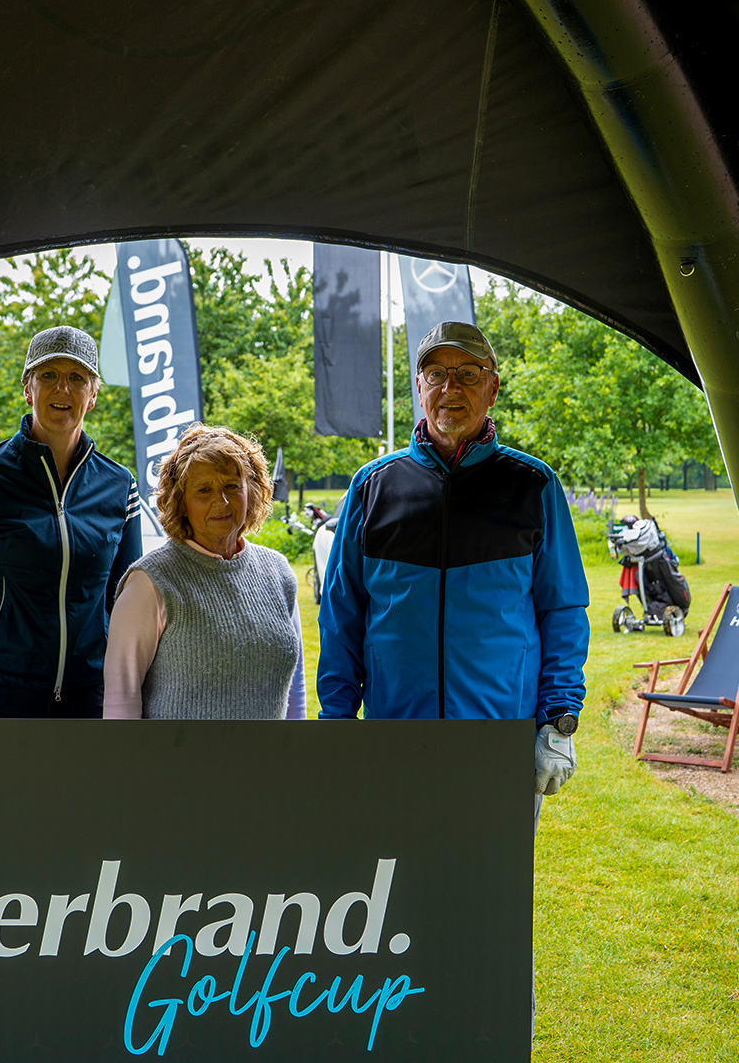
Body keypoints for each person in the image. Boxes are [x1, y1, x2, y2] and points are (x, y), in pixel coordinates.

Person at [315, 320, 587, 1029]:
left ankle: (497, 1034)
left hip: (498, 744)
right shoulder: (374, 487)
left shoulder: (533, 485)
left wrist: (558, 724)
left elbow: (562, 611)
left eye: (468, 374)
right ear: (419, 387)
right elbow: (342, 615)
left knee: (493, 905)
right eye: (437, 374)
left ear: (492, 388)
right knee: (395, 904)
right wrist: (337, 724)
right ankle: (408, 1034)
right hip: (397, 743)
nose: (450, 388)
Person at [0, 325, 141, 717]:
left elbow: (129, 608)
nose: (63, 389)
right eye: (48, 375)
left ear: (93, 396)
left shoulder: (120, 486)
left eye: (77, 378)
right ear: (28, 389)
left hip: (89, 698)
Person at [103, 423, 307, 720]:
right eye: (204, 490)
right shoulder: (149, 583)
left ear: (251, 490)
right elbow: (121, 698)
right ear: (181, 501)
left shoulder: (278, 574)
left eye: (231, 486)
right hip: (175, 752)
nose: (220, 501)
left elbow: (295, 688)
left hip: (271, 752)